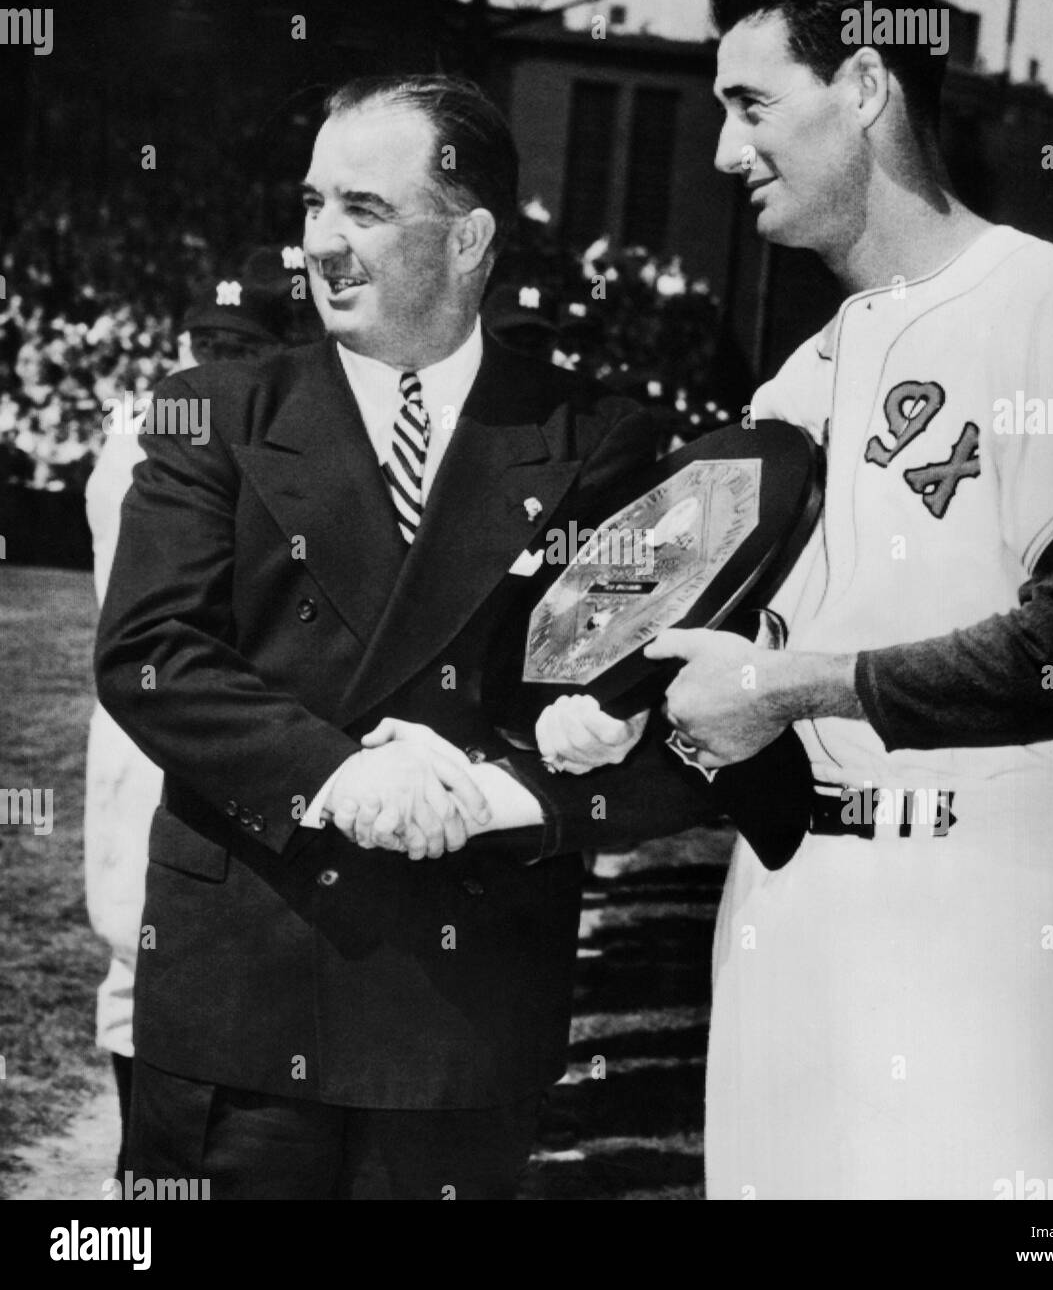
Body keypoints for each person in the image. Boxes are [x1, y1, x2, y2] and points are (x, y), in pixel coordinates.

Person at [545, 0, 1053, 1200]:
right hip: (795, 890)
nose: (726, 151)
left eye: (750, 105)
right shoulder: (801, 379)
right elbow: (683, 635)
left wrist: (784, 690)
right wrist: (618, 709)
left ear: (862, 87)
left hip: (996, 904)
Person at [94, 74, 714, 1200]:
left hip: (459, 1011)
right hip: (242, 990)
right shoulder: (214, 408)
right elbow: (153, 653)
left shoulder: (594, 436)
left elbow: (616, 688)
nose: (321, 242)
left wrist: (489, 785)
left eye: (363, 210)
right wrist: (336, 776)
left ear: (470, 235)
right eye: (311, 204)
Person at [83, 274, 286, 1181]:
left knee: (161, 959)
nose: (222, 360)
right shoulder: (189, 426)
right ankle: (145, 1171)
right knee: (150, 957)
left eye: (239, 346)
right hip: (167, 715)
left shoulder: (153, 418)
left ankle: (151, 1169)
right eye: (214, 343)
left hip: (159, 713)